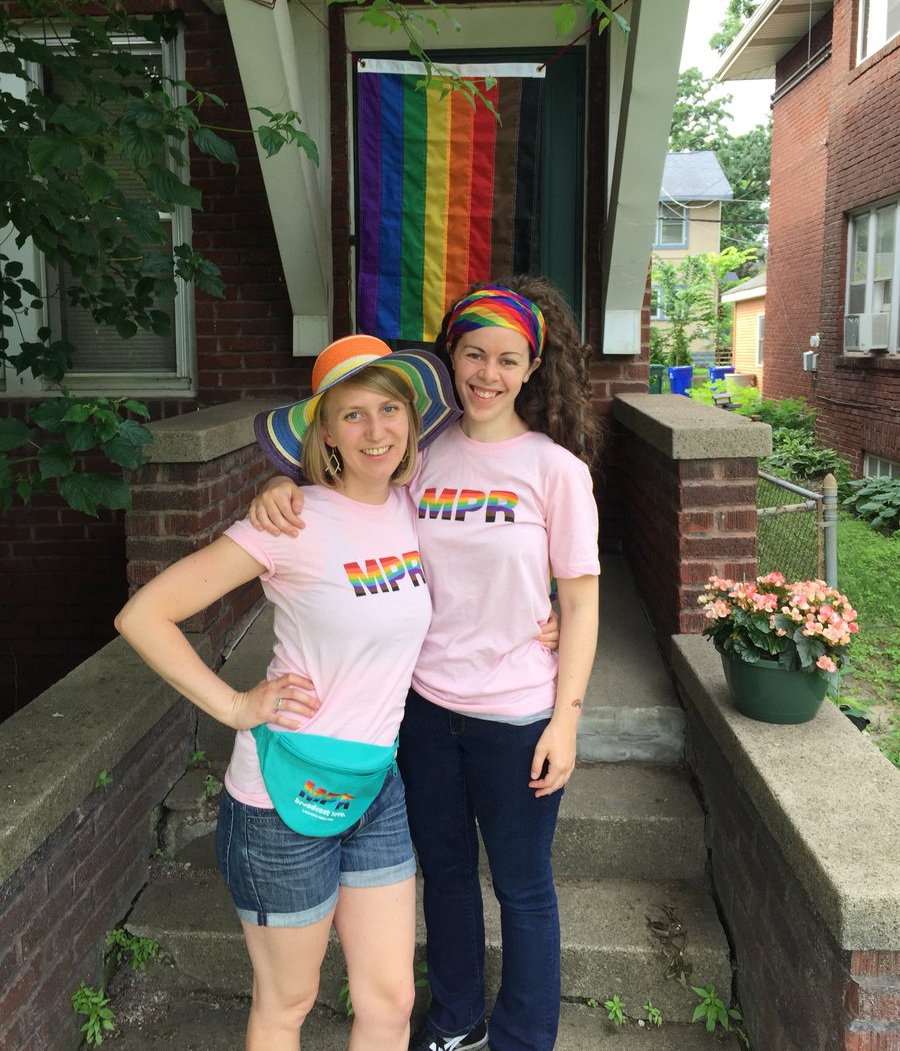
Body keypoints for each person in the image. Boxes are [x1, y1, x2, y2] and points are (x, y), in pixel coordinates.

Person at [249, 277, 602, 1051]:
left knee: (522, 888)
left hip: (517, 715)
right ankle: (454, 1024)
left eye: (508, 359)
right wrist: (281, 486)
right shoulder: (419, 454)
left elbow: (581, 604)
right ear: (452, 357)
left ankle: (522, 1038)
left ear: (532, 368)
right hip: (423, 710)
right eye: (473, 353)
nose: (488, 373)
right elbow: (345, 493)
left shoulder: (555, 471)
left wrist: (566, 721)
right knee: (442, 876)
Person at [115, 334, 460, 1051]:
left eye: (389, 408)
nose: (376, 429)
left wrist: (542, 623)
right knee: (288, 1002)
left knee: (392, 1000)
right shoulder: (291, 520)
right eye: (354, 414)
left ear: (410, 419)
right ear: (325, 433)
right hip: (280, 802)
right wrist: (235, 706)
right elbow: (143, 615)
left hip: (374, 786)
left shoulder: (411, 506)